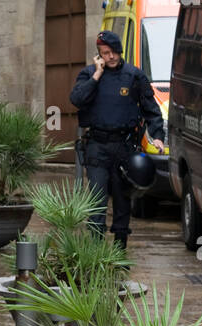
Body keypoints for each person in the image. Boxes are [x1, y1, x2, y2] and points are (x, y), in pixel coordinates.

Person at [69, 30, 166, 250]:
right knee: (97, 200)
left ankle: (120, 251)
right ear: (99, 55)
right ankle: (95, 252)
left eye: (113, 52)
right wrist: (96, 75)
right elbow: (76, 99)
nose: (110, 57)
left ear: (120, 52)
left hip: (125, 146)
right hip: (97, 146)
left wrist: (158, 136)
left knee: (122, 201)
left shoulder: (134, 76)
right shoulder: (88, 74)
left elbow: (151, 109)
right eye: (105, 53)